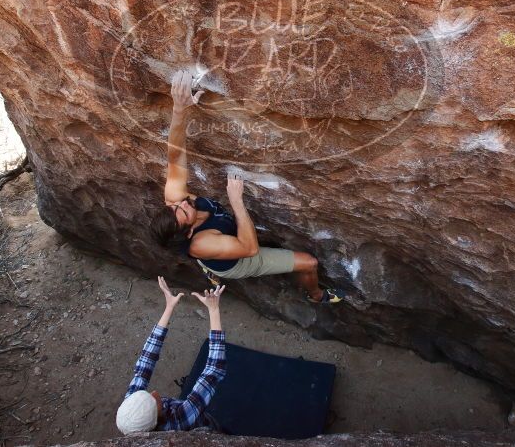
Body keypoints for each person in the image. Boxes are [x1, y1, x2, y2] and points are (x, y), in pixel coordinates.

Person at [149, 69, 344, 304]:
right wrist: (237, 202)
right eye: (182, 211)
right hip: (238, 260)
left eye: (175, 206)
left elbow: (175, 157)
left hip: (223, 241)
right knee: (309, 262)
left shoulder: (176, 199)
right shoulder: (201, 242)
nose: (182, 202)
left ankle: (209, 266)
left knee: (215, 241)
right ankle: (316, 296)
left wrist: (179, 108)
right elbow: (249, 248)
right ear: (188, 232)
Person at [116, 276, 227, 434]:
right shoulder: (181, 419)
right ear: (158, 418)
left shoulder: (132, 410)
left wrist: (169, 307)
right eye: (154, 400)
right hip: (205, 427)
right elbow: (214, 369)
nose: (154, 393)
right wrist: (214, 310)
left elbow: (146, 360)